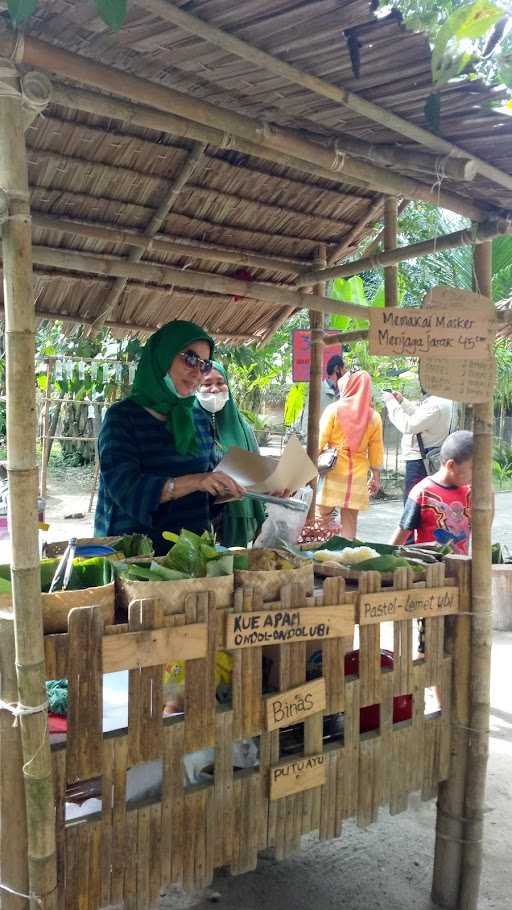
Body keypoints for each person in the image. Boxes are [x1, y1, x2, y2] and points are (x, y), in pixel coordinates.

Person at [94, 320, 245, 555]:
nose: (197, 372)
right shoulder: (122, 418)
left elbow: (206, 491)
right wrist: (195, 480)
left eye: (205, 365)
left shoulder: (198, 418)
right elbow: (126, 489)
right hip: (134, 557)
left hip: (189, 555)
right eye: (190, 359)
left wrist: (235, 489)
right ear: (163, 356)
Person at [195, 362, 266, 548]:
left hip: (238, 515)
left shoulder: (242, 428)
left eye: (220, 382)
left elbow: (258, 473)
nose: (214, 389)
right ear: (196, 387)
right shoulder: (189, 426)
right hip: (202, 516)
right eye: (207, 383)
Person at [316, 370, 384, 539]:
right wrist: (375, 476)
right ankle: (345, 557)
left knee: (321, 518)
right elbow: (376, 449)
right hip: (357, 475)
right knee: (350, 523)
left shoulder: (334, 409)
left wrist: (309, 464)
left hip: (332, 469)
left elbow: (319, 440)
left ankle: (318, 555)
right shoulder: (374, 417)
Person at [390, 430, 473, 554]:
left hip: (460, 568)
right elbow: (401, 534)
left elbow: (483, 529)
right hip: (429, 569)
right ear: (451, 466)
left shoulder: (469, 492)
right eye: (473, 468)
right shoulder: (423, 493)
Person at [382, 387, 453, 500]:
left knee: (414, 504)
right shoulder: (442, 399)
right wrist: (402, 402)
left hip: (420, 461)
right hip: (426, 457)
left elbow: (408, 425)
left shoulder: (435, 404)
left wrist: (391, 402)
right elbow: (421, 416)